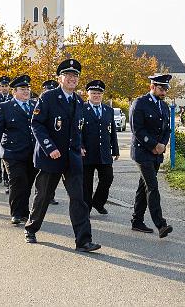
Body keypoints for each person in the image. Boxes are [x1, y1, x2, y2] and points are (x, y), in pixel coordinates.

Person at [24, 59, 101, 252]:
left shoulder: (78, 101)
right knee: (43, 196)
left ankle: (83, 241)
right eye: (68, 75)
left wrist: (80, 145)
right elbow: (37, 124)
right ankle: (31, 228)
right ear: (60, 78)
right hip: (51, 158)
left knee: (79, 199)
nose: (72, 79)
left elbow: (78, 129)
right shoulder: (48, 97)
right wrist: (49, 147)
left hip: (72, 158)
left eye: (75, 76)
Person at [0, 75, 37, 225]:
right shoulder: (4, 107)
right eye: (22, 89)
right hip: (12, 152)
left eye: (28, 89)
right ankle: (15, 212)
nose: (26, 92)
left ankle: (24, 211)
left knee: (28, 182)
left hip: (32, 152)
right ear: (14, 91)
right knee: (17, 181)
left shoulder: (35, 106)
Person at [129, 74, 173, 238]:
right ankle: (161, 224)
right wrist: (154, 145)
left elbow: (167, 129)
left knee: (144, 187)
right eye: (161, 89)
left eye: (166, 89)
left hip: (156, 153)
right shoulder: (140, 103)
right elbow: (137, 129)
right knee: (152, 186)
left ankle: (137, 221)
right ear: (152, 87)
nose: (164, 92)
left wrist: (161, 145)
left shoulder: (164, 106)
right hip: (142, 152)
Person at [81, 80, 119, 214]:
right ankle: (86, 208)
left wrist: (115, 150)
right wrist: (79, 145)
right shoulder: (81, 109)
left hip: (104, 152)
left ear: (102, 95)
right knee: (86, 183)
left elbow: (112, 131)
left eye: (99, 93)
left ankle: (98, 202)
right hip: (86, 152)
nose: (96, 96)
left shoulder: (108, 110)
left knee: (107, 178)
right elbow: (76, 130)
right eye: (93, 93)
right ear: (88, 94)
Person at [41, 79, 60, 206]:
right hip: (44, 143)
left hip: (57, 143)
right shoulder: (41, 103)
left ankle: (50, 195)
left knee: (55, 172)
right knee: (44, 174)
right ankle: (43, 196)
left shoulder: (59, 104)